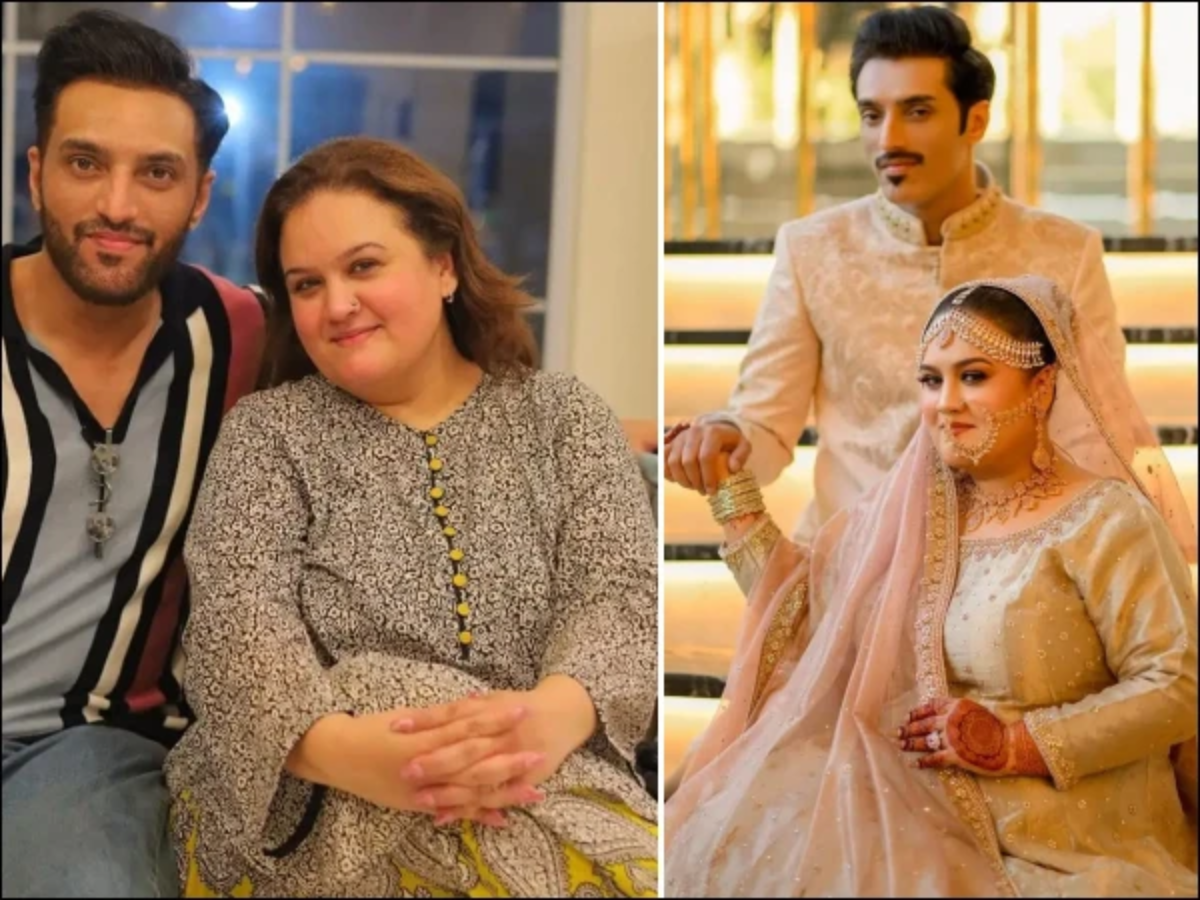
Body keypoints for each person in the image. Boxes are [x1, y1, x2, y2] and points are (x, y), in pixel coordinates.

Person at [164, 136, 659, 897]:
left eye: (364, 266)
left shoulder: (563, 417)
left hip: (541, 774)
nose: (336, 305)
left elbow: (620, 594)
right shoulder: (269, 434)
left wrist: (544, 720)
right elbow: (235, 627)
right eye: (306, 284)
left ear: (444, 265)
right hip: (310, 802)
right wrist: (352, 752)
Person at [663, 275, 1197, 897]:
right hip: (919, 806)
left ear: (1042, 384)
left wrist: (1015, 744)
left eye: (973, 376)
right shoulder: (918, 514)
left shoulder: (1105, 519)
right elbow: (816, 620)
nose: (946, 402)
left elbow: (1175, 684)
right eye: (930, 380)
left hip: (1067, 835)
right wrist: (730, 495)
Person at [664, 5, 1129, 544]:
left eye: (917, 111)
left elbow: (1095, 436)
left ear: (975, 120)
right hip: (850, 565)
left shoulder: (1064, 252)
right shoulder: (813, 249)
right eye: (871, 115)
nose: (889, 139)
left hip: (1012, 572)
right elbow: (765, 426)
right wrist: (727, 435)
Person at [1, 10, 266, 898]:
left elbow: (418, 366)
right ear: (37, 174)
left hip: (83, 751)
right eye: (85, 163)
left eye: (156, 173)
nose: (117, 205)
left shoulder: (244, 335)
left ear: (199, 195)